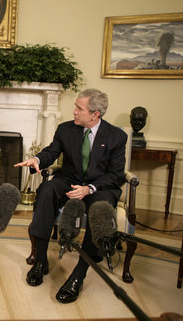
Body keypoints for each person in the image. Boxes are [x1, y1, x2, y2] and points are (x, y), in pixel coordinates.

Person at [14, 88, 126, 303]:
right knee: (47, 190)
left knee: (99, 209)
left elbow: (115, 175)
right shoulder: (65, 129)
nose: (73, 111)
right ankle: (40, 261)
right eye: (75, 106)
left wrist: (89, 189)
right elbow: (51, 151)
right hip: (69, 179)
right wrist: (37, 160)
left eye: (79, 108)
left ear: (95, 114)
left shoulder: (116, 136)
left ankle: (78, 275)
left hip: (99, 187)